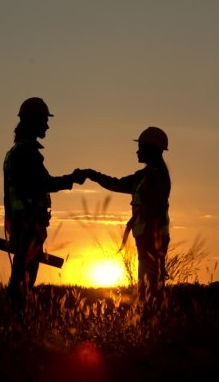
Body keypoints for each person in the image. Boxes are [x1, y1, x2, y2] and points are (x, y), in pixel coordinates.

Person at [4, 97, 86, 309]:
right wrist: (72, 179)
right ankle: (16, 321)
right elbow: (42, 183)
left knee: (21, 276)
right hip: (29, 223)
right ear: (32, 121)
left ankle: (15, 318)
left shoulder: (15, 152)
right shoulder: (26, 152)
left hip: (21, 222)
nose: (47, 125)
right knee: (24, 279)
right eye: (43, 121)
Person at [85, 126, 171, 318]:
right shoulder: (146, 175)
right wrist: (93, 175)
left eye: (141, 147)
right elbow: (117, 183)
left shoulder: (156, 176)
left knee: (150, 291)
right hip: (145, 240)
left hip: (151, 241)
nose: (137, 151)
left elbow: (155, 212)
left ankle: (152, 328)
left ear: (152, 149)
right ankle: (151, 326)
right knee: (147, 288)